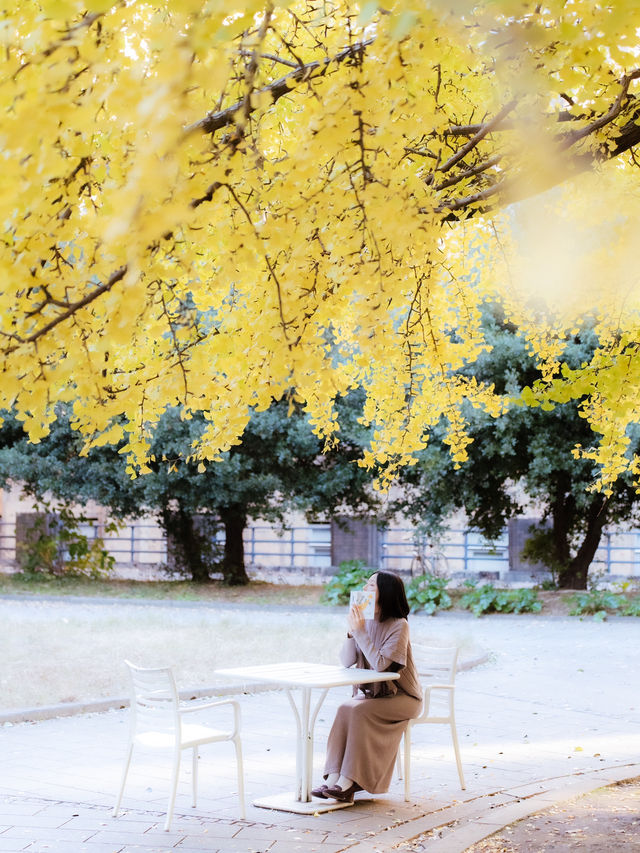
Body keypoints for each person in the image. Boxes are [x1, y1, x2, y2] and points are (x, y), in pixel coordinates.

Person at [312, 570, 423, 803]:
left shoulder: (399, 625)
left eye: (371, 585)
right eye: (365, 584)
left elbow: (383, 667)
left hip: (404, 698)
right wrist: (352, 631)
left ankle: (348, 782)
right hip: (376, 696)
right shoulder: (365, 622)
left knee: (358, 710)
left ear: (386, 593)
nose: (364, 589)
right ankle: (333, 778)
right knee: (345, 708)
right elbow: (345, 661)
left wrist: (361, 631)